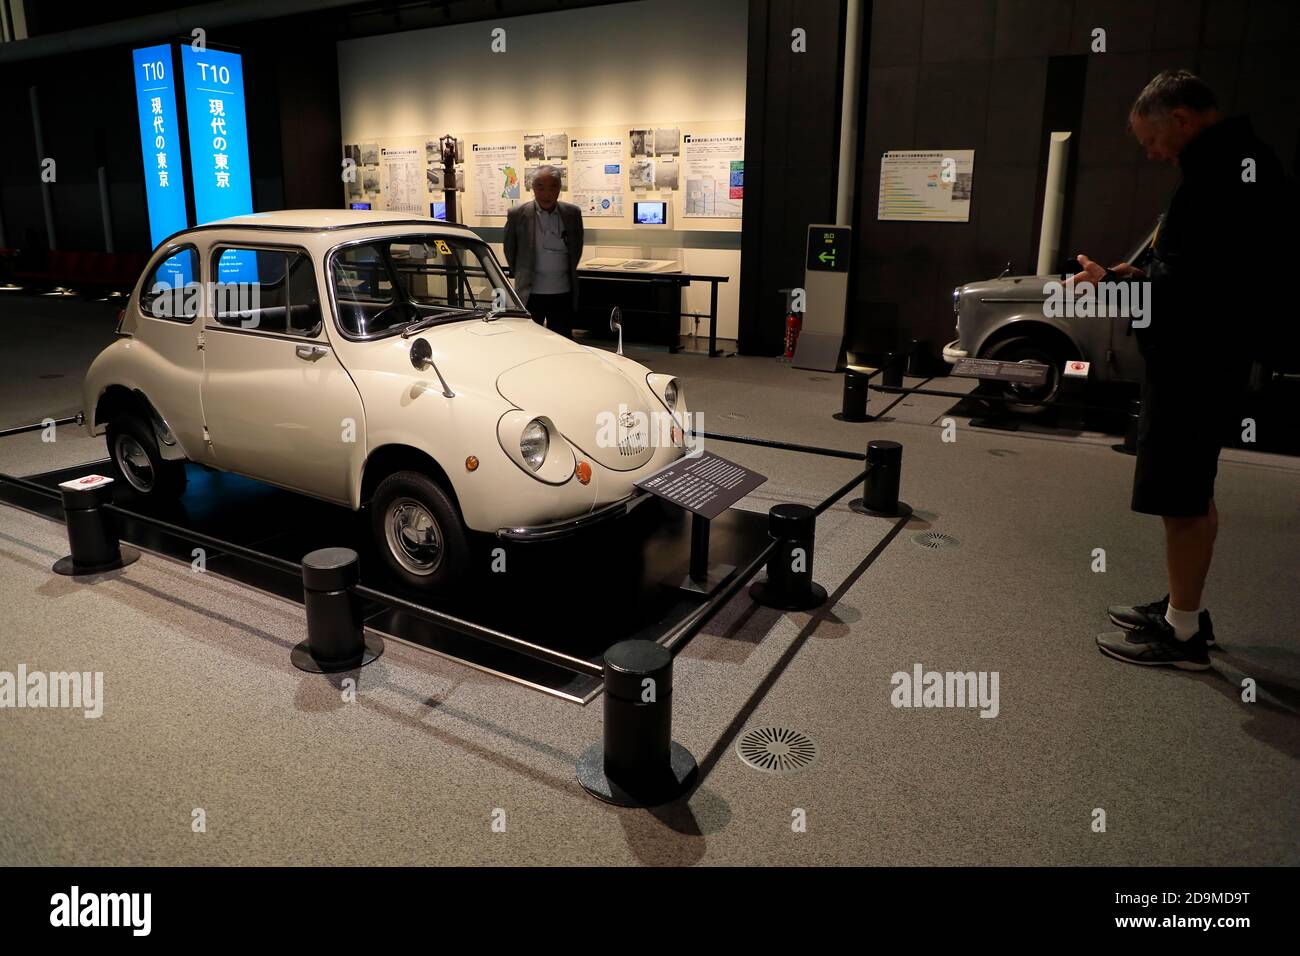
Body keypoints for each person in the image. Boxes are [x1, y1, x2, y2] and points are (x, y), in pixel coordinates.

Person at [1078, 70, 1287, 670]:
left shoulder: (1228, 173)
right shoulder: (1230, 164)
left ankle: (1185, 635)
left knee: (1185, 493)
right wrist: (1126, 278)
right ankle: (1181, 607)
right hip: (1201, 355)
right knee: (1187, 490)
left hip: (1197, 361)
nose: (1149, 152)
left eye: (1150, 139)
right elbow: (1192, 273)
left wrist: (1120, 283)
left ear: (1181, 119)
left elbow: (1197, 288)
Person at [503, 165, 584, 337]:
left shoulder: (572, 214)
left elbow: (577, 248)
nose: (547, 193)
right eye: (540, 187)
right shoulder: (517, 214)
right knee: (530, 340)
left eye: (553, 186)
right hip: (531, 293)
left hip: (563, 292)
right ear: (533, 188)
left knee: (563, 340)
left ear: (559, 188)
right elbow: (509, 249)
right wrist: (521, 272)